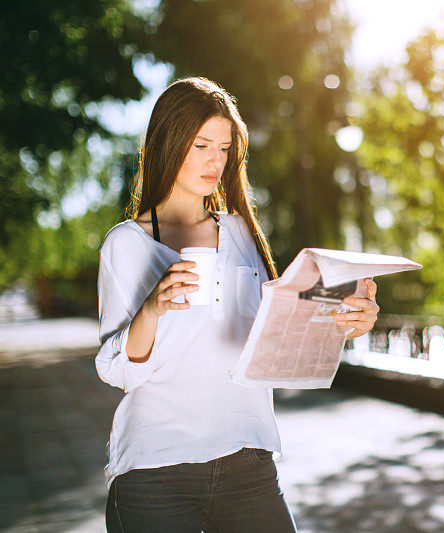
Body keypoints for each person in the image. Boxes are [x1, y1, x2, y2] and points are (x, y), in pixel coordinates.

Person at [96, 76, 379, 532]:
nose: (215, 161)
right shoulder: (126, 245)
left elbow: (271, 334)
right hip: (155, 471)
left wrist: (343, 316)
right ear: (169, 143)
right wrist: (152, 309)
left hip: (247, 460)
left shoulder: (240, 233)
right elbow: (116, 371)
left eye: (224, 148)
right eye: (202, 144)